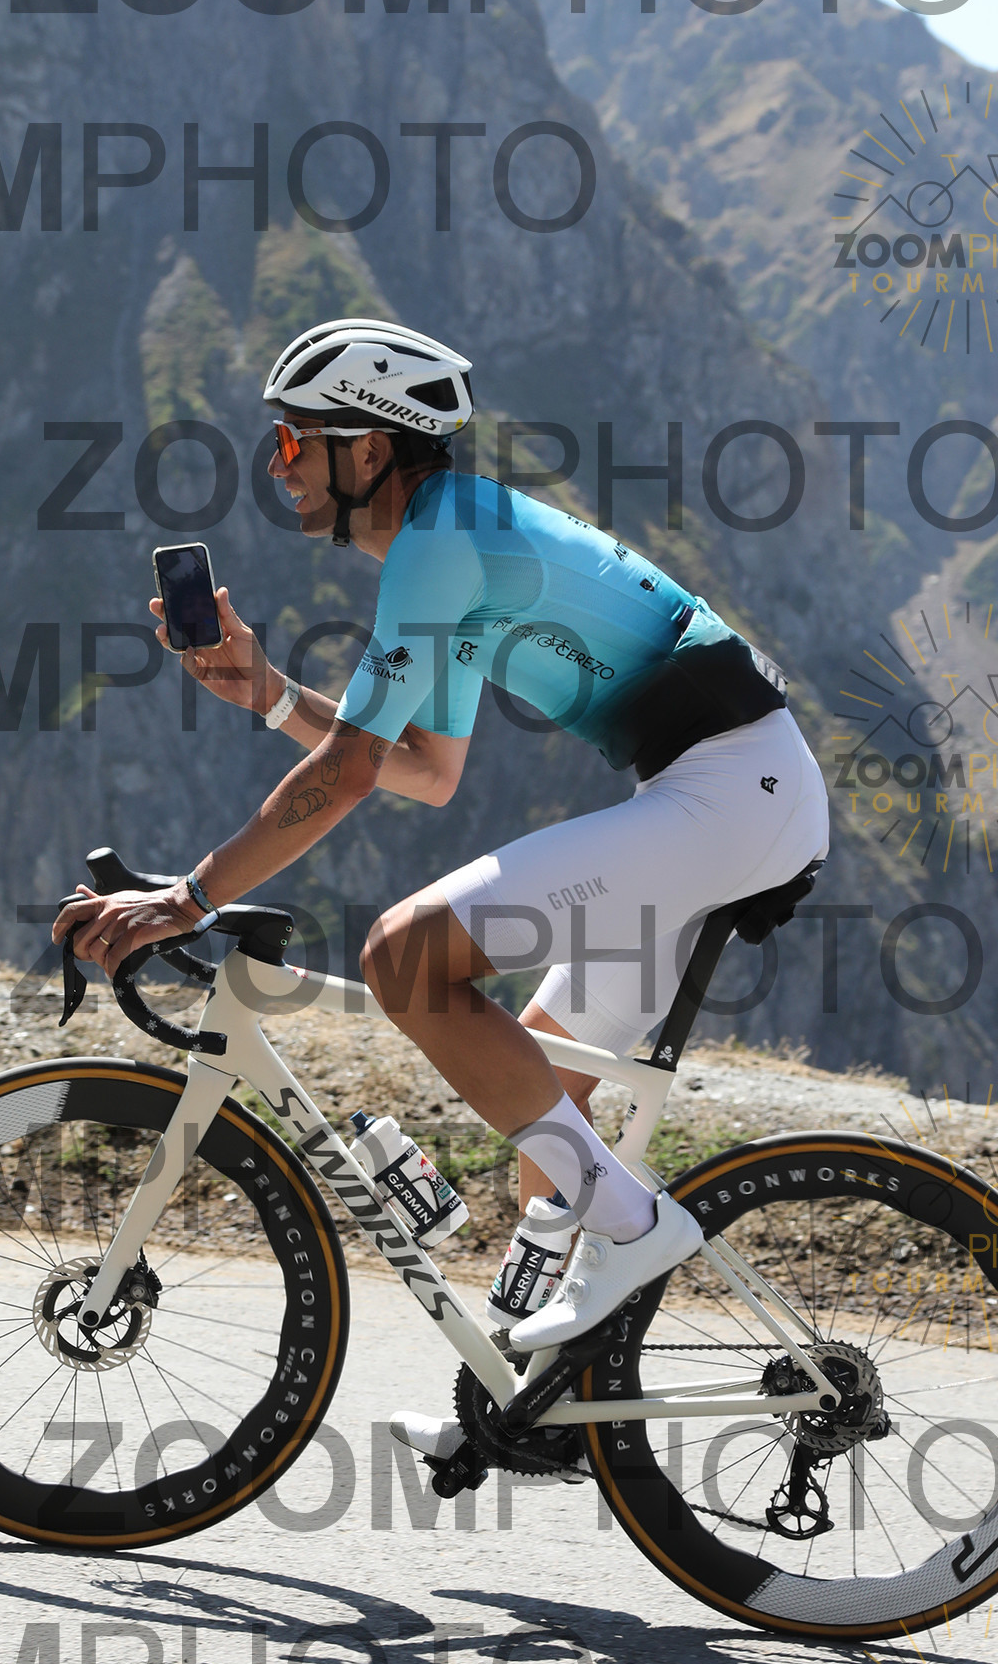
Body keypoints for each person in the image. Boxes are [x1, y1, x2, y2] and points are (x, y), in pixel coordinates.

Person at [53, 319, 829, 1466]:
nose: (275, 463)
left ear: (366, 450)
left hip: (729, 794)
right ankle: (535, 1415)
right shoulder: (453, 547)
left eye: (293, 440)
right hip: (730, 793)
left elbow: (349, 775)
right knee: (547, 1119)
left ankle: (634, 1231)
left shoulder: (439, 544)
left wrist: (188, 899)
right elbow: (420, 769)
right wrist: (269, 696)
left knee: (407, 955)